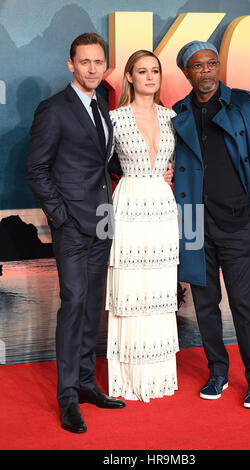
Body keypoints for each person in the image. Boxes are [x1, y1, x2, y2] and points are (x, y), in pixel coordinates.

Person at [26, 33, 127, 434]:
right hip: (71, 226)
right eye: (84, 62)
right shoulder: (53, 109)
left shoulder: (102, 103)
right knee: (73, 305)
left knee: (90, 307)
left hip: (102, 219)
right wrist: (60, 216)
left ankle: (87, 384)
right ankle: (67, 396)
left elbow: (103, 163)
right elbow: (36, 169)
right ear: (71, 64)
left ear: (105, 65)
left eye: (98, 62)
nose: (91, 69)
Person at [172, 40, 250, 408]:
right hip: (195, 224)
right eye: (198, 66)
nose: (206, 71)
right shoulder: (178, 113)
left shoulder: (245, 105)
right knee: (205, 305)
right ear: (187, 72)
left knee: (244, 303)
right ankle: (217, 370)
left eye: (211, 63)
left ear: (218, 66)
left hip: (238, 223)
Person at [105, 50, 179, 402]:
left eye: (155, 71)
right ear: (130, 78)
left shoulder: (172, 117)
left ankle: (159, 377)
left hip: (163, 208)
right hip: (129, 204)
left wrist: (172, 172)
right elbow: (96, 166)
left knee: (160, 291)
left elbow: (183, 163)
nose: (150, 77)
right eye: (141, 71)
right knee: (131, 288)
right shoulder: (114, 119)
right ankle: (129, 379)